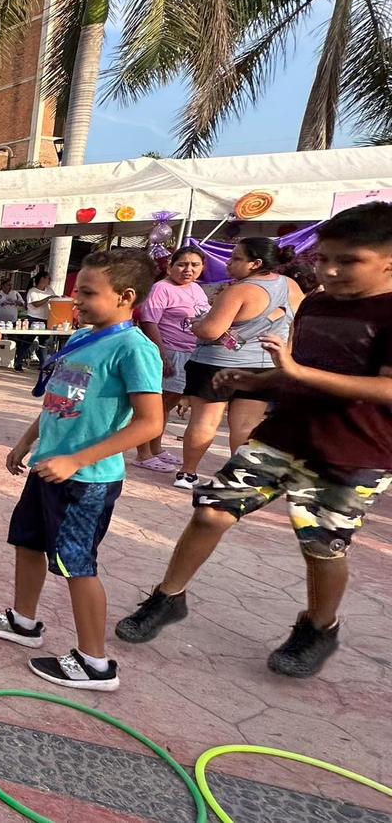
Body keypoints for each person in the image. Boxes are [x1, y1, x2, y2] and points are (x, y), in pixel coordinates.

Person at [115, 202, 392, 679]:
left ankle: (319, 626)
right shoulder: (319, 303)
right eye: (324, 258)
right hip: (283, 436)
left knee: (323, 545)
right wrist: (253, 381)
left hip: (354, 452)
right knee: (209, 511)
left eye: (348, 261)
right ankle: (168, 597)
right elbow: (298, 375)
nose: (328, 270)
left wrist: (298, 372)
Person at [0, 250, 163, 692]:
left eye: (89, 294)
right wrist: (26, 441)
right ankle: (22, 620)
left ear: (126, 297)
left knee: (77, 565)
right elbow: (57, 400)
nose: (77, 301)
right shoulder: (80, 339)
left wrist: (78, 459)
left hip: (86, 481)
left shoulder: (134, 348)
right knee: (27, 542)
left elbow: (150, 423)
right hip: (48, 468)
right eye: (78, 292)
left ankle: (95, 662)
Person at [173, 238, 303, 490]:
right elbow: (295, 324)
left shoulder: (239, 291)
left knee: (205, 421)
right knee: (247, 424)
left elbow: (211, 331)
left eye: (236, 259)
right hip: (264, 365)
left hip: (217, 365)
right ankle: (240, 477)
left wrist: (196, 324)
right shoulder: (290, 286)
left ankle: (187, 473)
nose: (228, 264)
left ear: (256, 263)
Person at [132, 247, 208, 473]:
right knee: (152, 406)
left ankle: (157, 448)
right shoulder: (161, 289)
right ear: (170, 266)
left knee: (167, 406)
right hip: (168, 351)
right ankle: (142, 453)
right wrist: (162, 354)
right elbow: (149, 322)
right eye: (183, 264)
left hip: (190, 352)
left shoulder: (197, 289)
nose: (188, 269)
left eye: (195, 265)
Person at [14, 271, 56, 371]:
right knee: (27, 342)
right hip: (33, 318)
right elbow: (36, 304)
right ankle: (18, 363)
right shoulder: (32, 291)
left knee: (44, 343)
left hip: (45, 319)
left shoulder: (49, 289)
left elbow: (54, 300)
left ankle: (43, 365)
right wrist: (49, 298)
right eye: (48, 278)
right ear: (42, 279)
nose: (49, 280)